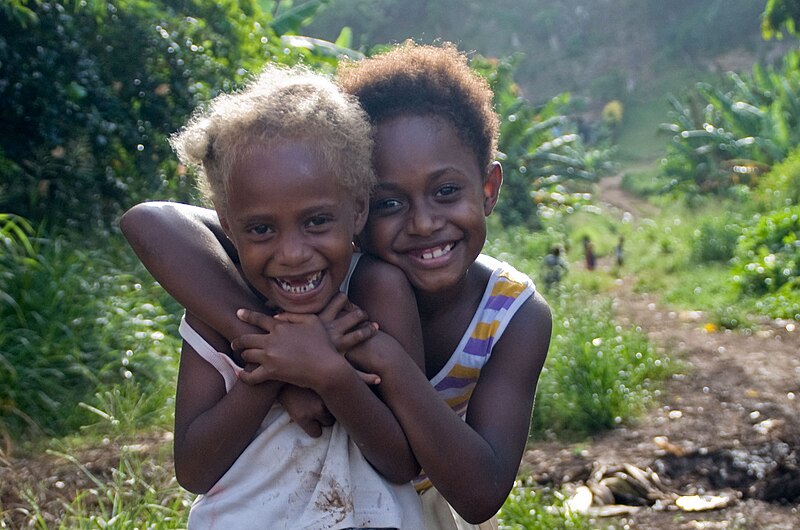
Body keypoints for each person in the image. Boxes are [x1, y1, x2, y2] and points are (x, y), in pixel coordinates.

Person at [122, 41, 552, 529]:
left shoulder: (506, 314)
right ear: (362, 205)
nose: (425, 223)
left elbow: (474, 494)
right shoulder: (286, 254)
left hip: (417, 508)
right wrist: (274, 353)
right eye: (390, 202)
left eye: (446, 191)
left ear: (488, 188)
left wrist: (370, 361)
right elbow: (152, 221)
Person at [126, 64, 427, 529]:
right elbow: (194, 468)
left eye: (317, 222)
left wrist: (329, 374)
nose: (291, 254)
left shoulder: (378, 293)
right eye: (261, 229)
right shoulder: (217, 307)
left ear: (359, 208)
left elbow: (404, 462)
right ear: (227, 225)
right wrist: (274, 368)